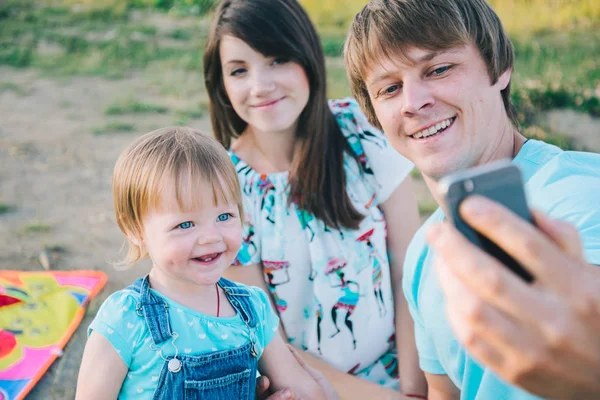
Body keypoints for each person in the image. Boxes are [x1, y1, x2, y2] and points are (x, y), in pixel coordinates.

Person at [344, 0, 600, 398]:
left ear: (499, 68)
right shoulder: (423, 255)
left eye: (439, 69)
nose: (413, 102)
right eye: (390, 88)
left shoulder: (583, 197)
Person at [203, 1, 427, 399]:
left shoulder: (360, 133)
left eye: (277, 60)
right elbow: (273, 345)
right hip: (314, 387)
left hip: (416, 365)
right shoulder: (225, 191)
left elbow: (408, 272)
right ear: (221, 84)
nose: (260, 85)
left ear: (307, 57)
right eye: (239, 70)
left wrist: (414, 389)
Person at [75, 127, 333, 400]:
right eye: (185, 224)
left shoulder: (252, 309)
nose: (210, 237)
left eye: (224, 216)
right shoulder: (126, 319)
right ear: (135, 230)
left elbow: (299, 388)